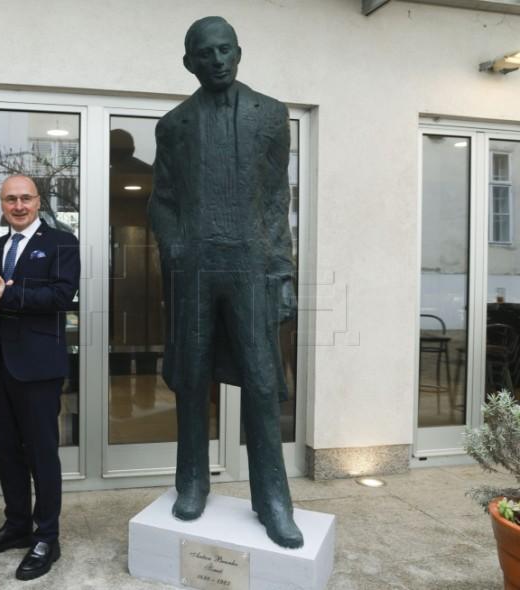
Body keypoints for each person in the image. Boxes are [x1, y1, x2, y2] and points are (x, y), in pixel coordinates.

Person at [148, 17, 303, 548]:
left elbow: (278, 200)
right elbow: (162, 200)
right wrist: (175, 246)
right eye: (205, 53)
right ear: (189, 62)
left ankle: (273, 499)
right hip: (194, 270)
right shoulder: (173, 126)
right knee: (192, 377)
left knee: (261, 381)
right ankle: (191, 482)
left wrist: (282, 272)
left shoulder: (271, 114)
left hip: (251, 267)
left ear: (239, 53)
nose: (217, 61)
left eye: (225, 51)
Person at [0, 175, 80, 580]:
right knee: (7, 452)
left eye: (25, 198)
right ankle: (16, 526)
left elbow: (62, 296)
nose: (18, 206)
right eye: (10, 199)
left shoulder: (62, 243)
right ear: (2, 204)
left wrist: (6, 296)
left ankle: (46, 536)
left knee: (41, 454)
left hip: (38, 367)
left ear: (38, 201)